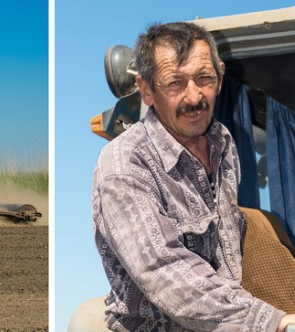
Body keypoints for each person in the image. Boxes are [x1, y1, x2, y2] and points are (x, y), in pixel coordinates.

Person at [91, 21, 295, 331]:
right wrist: (271, 321)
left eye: (204, 79)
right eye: (175, 82)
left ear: (221, 76)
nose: (194, 96)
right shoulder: (123, 163)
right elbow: (162, 269)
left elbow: (229, 258)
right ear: (146, 89)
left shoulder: (223, 144)